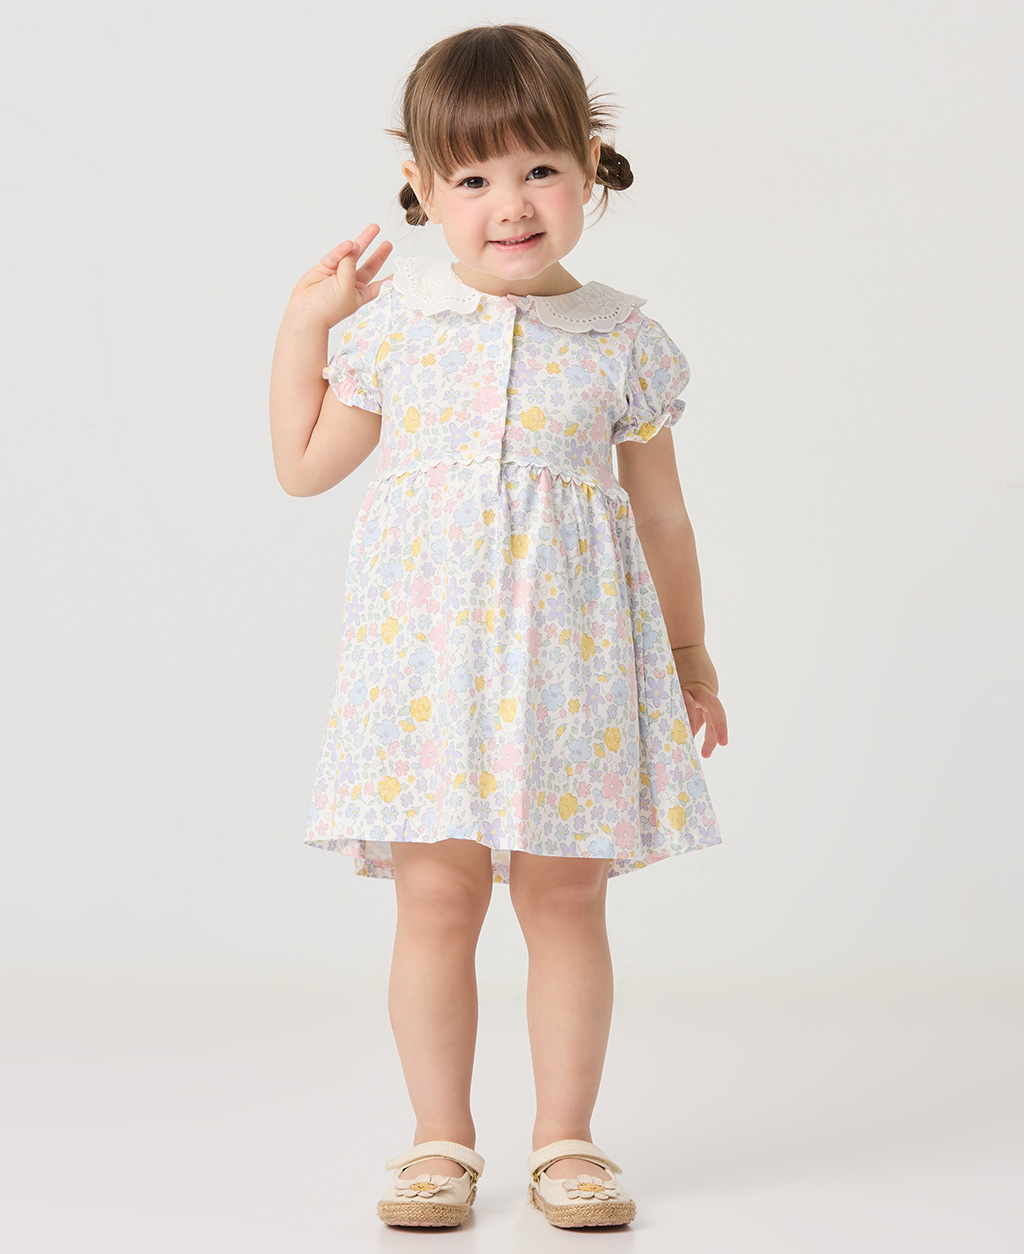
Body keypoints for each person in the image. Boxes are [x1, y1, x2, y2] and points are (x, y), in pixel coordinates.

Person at [269, 21, 729, 1231]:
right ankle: (439, 1140)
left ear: (588, 169)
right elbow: (303, 467)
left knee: (566, 902)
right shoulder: (394, 333)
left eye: (537, 170)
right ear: (422, 191)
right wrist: (305, 326)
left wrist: (690, 654)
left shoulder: (623, 342)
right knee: (436, 903)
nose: (509, 204)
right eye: (470, 179)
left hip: (573, 672)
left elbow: (663, 517)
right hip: (427, 674)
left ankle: (566, 1141)